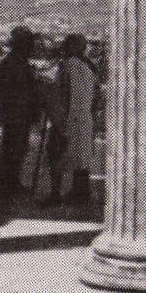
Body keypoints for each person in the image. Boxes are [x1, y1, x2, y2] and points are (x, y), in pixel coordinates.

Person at [49, 33, 99, 215]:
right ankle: (80, 192)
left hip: (68, 118)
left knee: (56, 154)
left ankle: (55, 194)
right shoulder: (90, 67)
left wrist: (57, 119)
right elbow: (96, 96)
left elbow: (60, 94)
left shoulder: (65, 67)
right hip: (85, 117)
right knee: (81, 157)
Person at [0, 27, 40, 210]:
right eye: (28, 42)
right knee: (12, 149)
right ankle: (7, 185)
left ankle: (12, 182)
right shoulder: (10, 65)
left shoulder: (18, 63)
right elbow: (10, 91)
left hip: (20, 113)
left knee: (19, 148)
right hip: (15, 113)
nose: (31, 46)